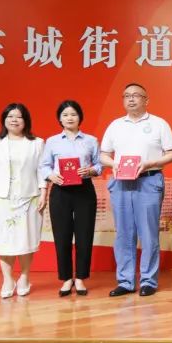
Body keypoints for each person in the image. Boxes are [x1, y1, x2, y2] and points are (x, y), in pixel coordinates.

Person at [99, 83, 172, 297]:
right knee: (123, 234)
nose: (131, 99)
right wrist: (114, 164)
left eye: (136, 95)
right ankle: (125, 281)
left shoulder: (159, 124)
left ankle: (148, 281)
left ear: (146, 100)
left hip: (148, 180)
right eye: (127, 96)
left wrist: (150, 163)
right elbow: (103, 155)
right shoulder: (115, 125)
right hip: (121, 182)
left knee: (148, 233)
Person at [0, 103, 46, 298]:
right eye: (10, 116)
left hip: (30, 197)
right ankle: (7, 279)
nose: (14, 120)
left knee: (26, 239)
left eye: (18, 116)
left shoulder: (37, 143)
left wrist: (44, 193)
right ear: (4, 120)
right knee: (4, 240)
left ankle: (25, 276)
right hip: (2, 199)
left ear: (26, 120)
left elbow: (41, 171)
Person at [38, 100, 101, 297]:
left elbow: (99, 165)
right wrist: (51, 176)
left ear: (80, 117)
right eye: (65, 115)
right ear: (60, 119)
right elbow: (43, 166)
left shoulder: (91, 140)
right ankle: (66, 278)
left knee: (84, 235)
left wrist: (90, 170)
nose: (69, 118)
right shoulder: (52, 141)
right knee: (62, 236)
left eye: (73, 114)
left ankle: (80, 277)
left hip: (84, 190)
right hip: (60, 191)